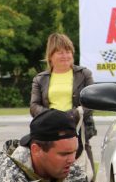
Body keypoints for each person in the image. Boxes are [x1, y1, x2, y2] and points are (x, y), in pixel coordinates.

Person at [30, 33, 96, 170]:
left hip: (78, 129)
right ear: (50, 56)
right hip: (50, 130)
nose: (65, 56)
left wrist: (70, 116)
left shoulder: (84, 74)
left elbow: (92, 101)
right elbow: (34, 106)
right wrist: (53, 118)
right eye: (60, 52)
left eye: (68, 52)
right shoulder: (39, 79)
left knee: (84, 172)